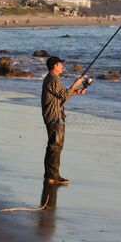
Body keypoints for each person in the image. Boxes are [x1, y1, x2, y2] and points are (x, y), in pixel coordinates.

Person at [41, 56, 85, 185]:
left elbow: (61, 96)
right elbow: (64, 94)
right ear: (55, 66)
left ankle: (51, 175)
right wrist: (75, 84)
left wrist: (76, 92)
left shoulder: (53, 79)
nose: (63, 67)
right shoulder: (52, 79)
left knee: (54, 146)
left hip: (54, 115)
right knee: (55, 146)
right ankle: (52, 176)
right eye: (61, 64)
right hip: (54, 116)